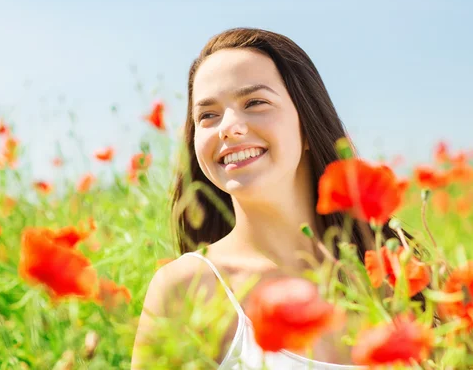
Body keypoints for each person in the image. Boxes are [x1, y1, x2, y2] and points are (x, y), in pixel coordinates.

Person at [132, 27, 398, 369]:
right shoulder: (187, 288)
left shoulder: (395, 271)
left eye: (254, 102)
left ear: (307, 122)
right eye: (207, 115)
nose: (229, 126)